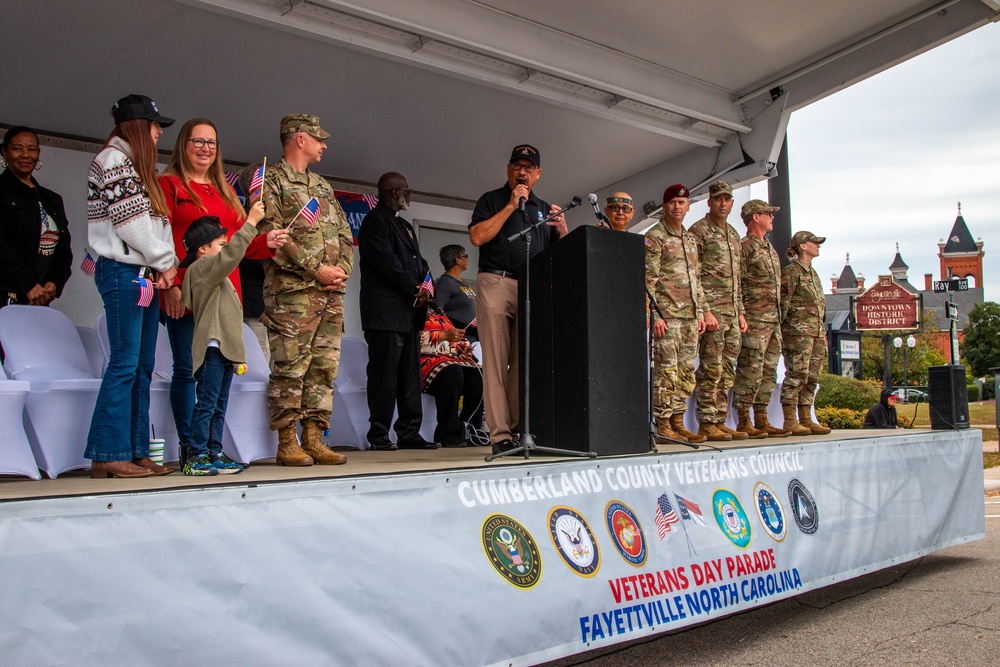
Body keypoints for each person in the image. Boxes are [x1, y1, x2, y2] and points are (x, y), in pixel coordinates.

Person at [159, 119, 274, 463]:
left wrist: (267, 241)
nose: (205, 148)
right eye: (198, 141)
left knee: (219, 380)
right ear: (184, 144)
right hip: (187, 289)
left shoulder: (223, 188)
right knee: (185, 370)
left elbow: (240, 246)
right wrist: (172, 284)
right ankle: (190, 449)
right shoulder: (169, 184)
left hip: (225, 296)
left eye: (212, 142)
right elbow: (160, 239)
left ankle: (211, 449)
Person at [85, 94, 177, 478]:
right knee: (124, 363)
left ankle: (137, 450)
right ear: (138, 127)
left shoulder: (137, 166)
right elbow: (131, 224)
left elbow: (154, 224)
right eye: (156, 126)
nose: (159, 133)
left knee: (141, 366)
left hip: (142, 274)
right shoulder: (114, 160)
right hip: (124, 272)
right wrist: (165, 262)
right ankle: (108, 452)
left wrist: (161, 265)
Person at [258, 114, 353, 466]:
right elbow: (273, 235)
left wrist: (341, 270)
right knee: (290, 366)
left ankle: (314, 438)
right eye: (318, 138)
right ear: (299, 139)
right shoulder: (272, 181)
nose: (324, 145)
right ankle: (287, 443)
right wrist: (318, 270)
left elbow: (344, 234)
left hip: (330, 295)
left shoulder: (323, 186)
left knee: (323, 368)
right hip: (292, 294)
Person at [469, 144, 567, 454]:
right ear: (508, 169)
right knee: (497, 362)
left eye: (528, 167)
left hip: (531, 288)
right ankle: (499, 436)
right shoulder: (492, 200)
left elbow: (559, 257)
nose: (522, 171)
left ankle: (516, 432)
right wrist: (511, 206)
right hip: (496, 281)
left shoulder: (543, 207)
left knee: (523, 363)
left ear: (538, 174)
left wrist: (563, 230)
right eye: (517, 165)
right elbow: (477, 237)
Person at [178, 207, 287, 475]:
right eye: (220, 244)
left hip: (224, 350)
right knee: (207, 403)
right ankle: (197, 455)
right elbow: (231, 256)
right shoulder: (203, 269)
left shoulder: (215, 275)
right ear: (202, 249)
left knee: (218, 405)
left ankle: (214, 451)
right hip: (212, 348)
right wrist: (250, 223)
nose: (226, 249)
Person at [357, 172, 439, 451]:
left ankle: (409, 432)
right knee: (384, 376)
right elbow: (386, 263)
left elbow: (420, 262)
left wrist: (428, 284)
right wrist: (414, 287)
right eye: (406, 190)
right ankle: (379, 434)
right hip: (385, 314)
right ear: (394, 192)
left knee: (408, 378)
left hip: (409, 314)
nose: (409, 195)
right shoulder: (374, 222)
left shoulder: (403, 225)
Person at [0, 126, 74, 363]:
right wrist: (29, 284)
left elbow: (64, 250)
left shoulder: (51, 198)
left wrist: (54, 283)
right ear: (4, 153)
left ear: (39, 154)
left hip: (39, 300)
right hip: (6, 296)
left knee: (33, 363)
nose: (25, 155)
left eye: (31, 149)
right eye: (17, 148)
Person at [644, 184, 708, 446]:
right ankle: (662, 423)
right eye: (672, 203)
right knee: (666, 373)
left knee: (684, 373)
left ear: (688, 206)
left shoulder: (690, 239)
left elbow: (696, 278)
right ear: (665, 206)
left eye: (682, 203)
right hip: (667, 316)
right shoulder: (655, 237)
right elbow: (648, 279)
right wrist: (654, 315)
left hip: (691, 317)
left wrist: (701, 312)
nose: (677, 207)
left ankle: (678, 423)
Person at [689, 181, 748, 442]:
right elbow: (694, 274)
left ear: (732, 203)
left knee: (727, 369)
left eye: (727, 199)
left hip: (732, 314)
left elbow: (738, 278)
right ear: (709, 202)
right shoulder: (699, 231)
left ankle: (720, 420)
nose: (723, 203)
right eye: (718, 199)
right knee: (711, 369)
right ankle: (707, 422)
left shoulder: (734, 235)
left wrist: (741, 312)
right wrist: (705, 310)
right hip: (713, 314)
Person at [732, 200, 791, 438]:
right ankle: (744, 419)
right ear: (755, 217)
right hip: (754, 320)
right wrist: (741, 312)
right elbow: (737, 281)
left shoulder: (769, 248)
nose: (772, 217)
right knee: (750, 369)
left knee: (768, 371)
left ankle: (762, 417)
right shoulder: (745, 246)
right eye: (768, 213)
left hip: (772, 321)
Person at [780, 230, 831, 436]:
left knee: (812, 376)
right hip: (798, 334)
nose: (817, 246)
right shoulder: (792, 273)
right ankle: (790, 420)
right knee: (797, 374)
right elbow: (783, 304)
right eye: (814, 242)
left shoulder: (813, 273)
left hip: (816, 332)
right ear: (802, 246)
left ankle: (806, 418)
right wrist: (784, 331)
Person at [420, 302, 485, 446]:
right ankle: (447, 433)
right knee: (452, 373)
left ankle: (469, 430)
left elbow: (456, 340)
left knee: (478, 375)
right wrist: (443, 336)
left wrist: (463, 350)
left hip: (450, 361)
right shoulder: (414, 312)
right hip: (425, 363)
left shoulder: (439, 313)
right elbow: (415, 340)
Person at [434, 244, 477, 340]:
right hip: (460, 340)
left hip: (473, 337)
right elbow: (436, 311)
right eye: (465, 256)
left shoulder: (462, 282)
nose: (468, 259)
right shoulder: (445, 282)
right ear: (457, 260)